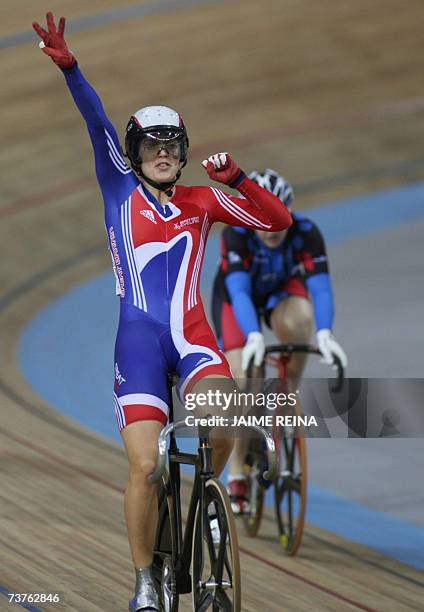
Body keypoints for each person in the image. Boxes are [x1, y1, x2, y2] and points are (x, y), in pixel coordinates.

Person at [32, 13, 292, 611]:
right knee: (147, 469)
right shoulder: (117, 187)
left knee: (226, 423)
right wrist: (71, 67)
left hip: (193, 338)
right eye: (153, 146)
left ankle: (209, 494)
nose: (165, 154)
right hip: (141, 343)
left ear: (183, 152)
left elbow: (278, 223)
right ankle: (146, 577)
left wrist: (242, 181)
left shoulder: (202, 199)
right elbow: (94, 119)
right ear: (134, 153)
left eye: (173, 145)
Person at [211, 168, 348, 514]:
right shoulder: (236, 235)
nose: (272, 231)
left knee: (301, 319)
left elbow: (319, 286)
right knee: (244, 382)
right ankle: (239, 470)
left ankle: (287, 394)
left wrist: (325, 332)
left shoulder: (306, 232)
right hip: (234, 299)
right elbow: (240, 292)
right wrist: (254, 335)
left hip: (279, 295)